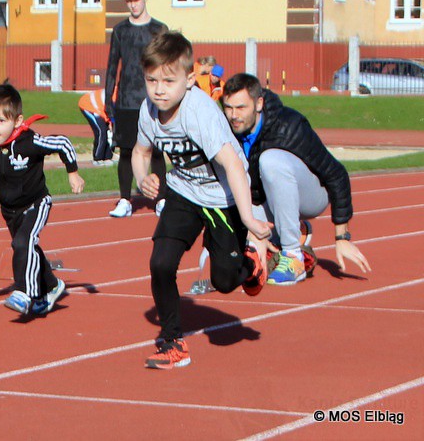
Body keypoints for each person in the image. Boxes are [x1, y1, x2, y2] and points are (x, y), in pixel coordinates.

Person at [131, 31, 271, 369]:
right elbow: (140, 151)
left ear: (190, 80)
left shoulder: (201, 113)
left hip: (222, 197)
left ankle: (251, 262)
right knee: (161, 263)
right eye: (152, 81)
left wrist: (249, 217)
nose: (159, 89)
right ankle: (172, 342)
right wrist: (142, 178)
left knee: (223, 282)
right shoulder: (148, 111)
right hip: (183, 192)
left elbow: (234, 165)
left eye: (168, 80)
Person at [221, 72, 371, 285]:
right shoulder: (224, 129)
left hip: (311, 194)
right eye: (228, 107)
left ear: (259, 103)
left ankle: (293, 257)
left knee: (270, 160)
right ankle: (290, 235)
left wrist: (342, 238)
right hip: (267, 198)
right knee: (230, 235)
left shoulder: (289, 126)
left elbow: (336, 174)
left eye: (241, 108)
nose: (233, 115)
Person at [0, 84, 85, 315]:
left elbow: (63, 143)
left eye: (1, 121)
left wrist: (73, 173)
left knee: (23, 243)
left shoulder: (29, 141)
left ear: (17, 121)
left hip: (36, 203)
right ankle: (52, 285)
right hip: (9, 209)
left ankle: (24, 292)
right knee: (26, 248)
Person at [104, 0, 168, 218]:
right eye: (129, 1)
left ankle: (161, 200)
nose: (133, 5)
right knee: (127, 151)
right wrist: (108, 99)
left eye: (136, 0)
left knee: (158, 150)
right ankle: (124, 199)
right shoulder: (120, 30)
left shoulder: (159, 30)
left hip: (155, 99)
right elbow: (112, 64)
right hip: (127, 100)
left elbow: (167, 65)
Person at [78, 88, 114, 166]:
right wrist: (110, 122)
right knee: (101, 131)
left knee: (109, 133)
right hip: (89, 106)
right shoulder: (116, 96)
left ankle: (107, 157)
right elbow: (108, 110)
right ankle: (97, 158)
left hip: (101, 108)